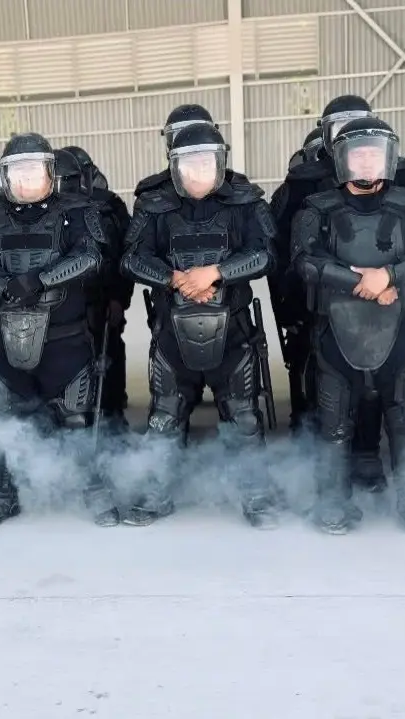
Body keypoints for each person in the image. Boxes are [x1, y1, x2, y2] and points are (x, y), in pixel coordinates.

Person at [121, 123, 281, 529]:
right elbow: (131, 258)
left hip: (233, 330)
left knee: (243, 416)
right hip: (172, 331)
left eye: (206, 163)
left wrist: (216, 273)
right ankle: (156, 493)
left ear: (220, 162)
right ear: (174, 166)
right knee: (164, 415)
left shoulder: (244, 200)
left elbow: (267, 253)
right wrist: (175, 278)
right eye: (189, 164)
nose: (198, 171)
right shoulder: (154, 205)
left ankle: (256, 494)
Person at [290, 117, 405, 535]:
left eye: (374, 155)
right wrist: (360, 281)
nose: (366, 163)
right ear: (341, 160)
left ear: (389, 159)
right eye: (357, 155)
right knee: (333, 425)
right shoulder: (316, 209)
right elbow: (304, 260)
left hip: (402, 332)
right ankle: (332, 502)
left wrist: (390, 277)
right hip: (335, 334)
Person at [0, 132, 118, 528]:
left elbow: (90, 256)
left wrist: (40, 280)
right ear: (6, 175)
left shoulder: (78, 209)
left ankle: (93, 490)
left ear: (50, 172)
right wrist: (4, 285)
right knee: (5, 420)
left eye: (35, 170)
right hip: (6, 337)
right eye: (19, 171)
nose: (28, 179)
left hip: (66, 340)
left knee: (76, 419)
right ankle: (3, 494)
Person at [270, 96, 386, 492]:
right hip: (315, 298)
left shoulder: (393, 175)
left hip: (381, 300)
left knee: (370, 381)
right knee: (316, 379)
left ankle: (367, 453)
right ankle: (315, 448)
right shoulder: (301, 183)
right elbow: (282, 250)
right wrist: (287, 306)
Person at [62, 145, 133, 426]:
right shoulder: (52, 209)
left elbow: (124, 255)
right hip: (67, 299)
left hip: (103, 297)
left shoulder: (109, 205)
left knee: (109, 354)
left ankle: (113, 415)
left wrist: (119, 299)